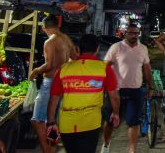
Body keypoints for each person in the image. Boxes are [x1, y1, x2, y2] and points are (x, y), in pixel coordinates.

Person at [46, 34, 121, 153]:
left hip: (67, 124)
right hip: (90, 123)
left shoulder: (64, 69)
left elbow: (54, 99)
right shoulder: (104, 69)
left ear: (78, 49)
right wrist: (116, 113)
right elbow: (114, 97)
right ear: (97, 49)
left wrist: (50, 122)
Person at [101, 23, 153, 153]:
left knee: (133, 122)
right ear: (125, 33)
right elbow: (105, 66)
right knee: (110, 121)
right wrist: (105, 85)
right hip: (116, 91)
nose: (134, 35)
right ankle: (106, 144)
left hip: (135, 90)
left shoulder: (143, 49)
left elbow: (147, 68)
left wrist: (150, 85)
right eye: (131, 33)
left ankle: (132, 149)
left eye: (136, 33)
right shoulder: (116, 47)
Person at [29, 15, 74, 153]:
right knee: (52, 119)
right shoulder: (66, 39)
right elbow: (74, 58)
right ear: (57, 25)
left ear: (44, 28)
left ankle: (49, 150)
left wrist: (36, 70)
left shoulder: (50, 42)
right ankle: (53, 146)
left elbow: (49, 65)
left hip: (50, 83)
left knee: (37, 120)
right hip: (62, 83)